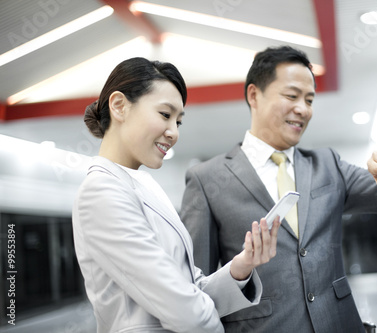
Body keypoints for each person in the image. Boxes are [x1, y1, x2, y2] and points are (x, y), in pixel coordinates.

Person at [180, 46, 377, 333]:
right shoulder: (206, 179)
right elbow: (196, 287)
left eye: (309, 99)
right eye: (291, 96)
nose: (303, 109)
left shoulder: (327, 165)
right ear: (254, 95)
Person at [72, 57, 280, 333]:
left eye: (178, 122)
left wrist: (242, 265)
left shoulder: (145, 186)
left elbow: (189, 288)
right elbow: (184, 310)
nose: (173, 132)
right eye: (165, 115)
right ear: (119, 106)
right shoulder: (100, 192)